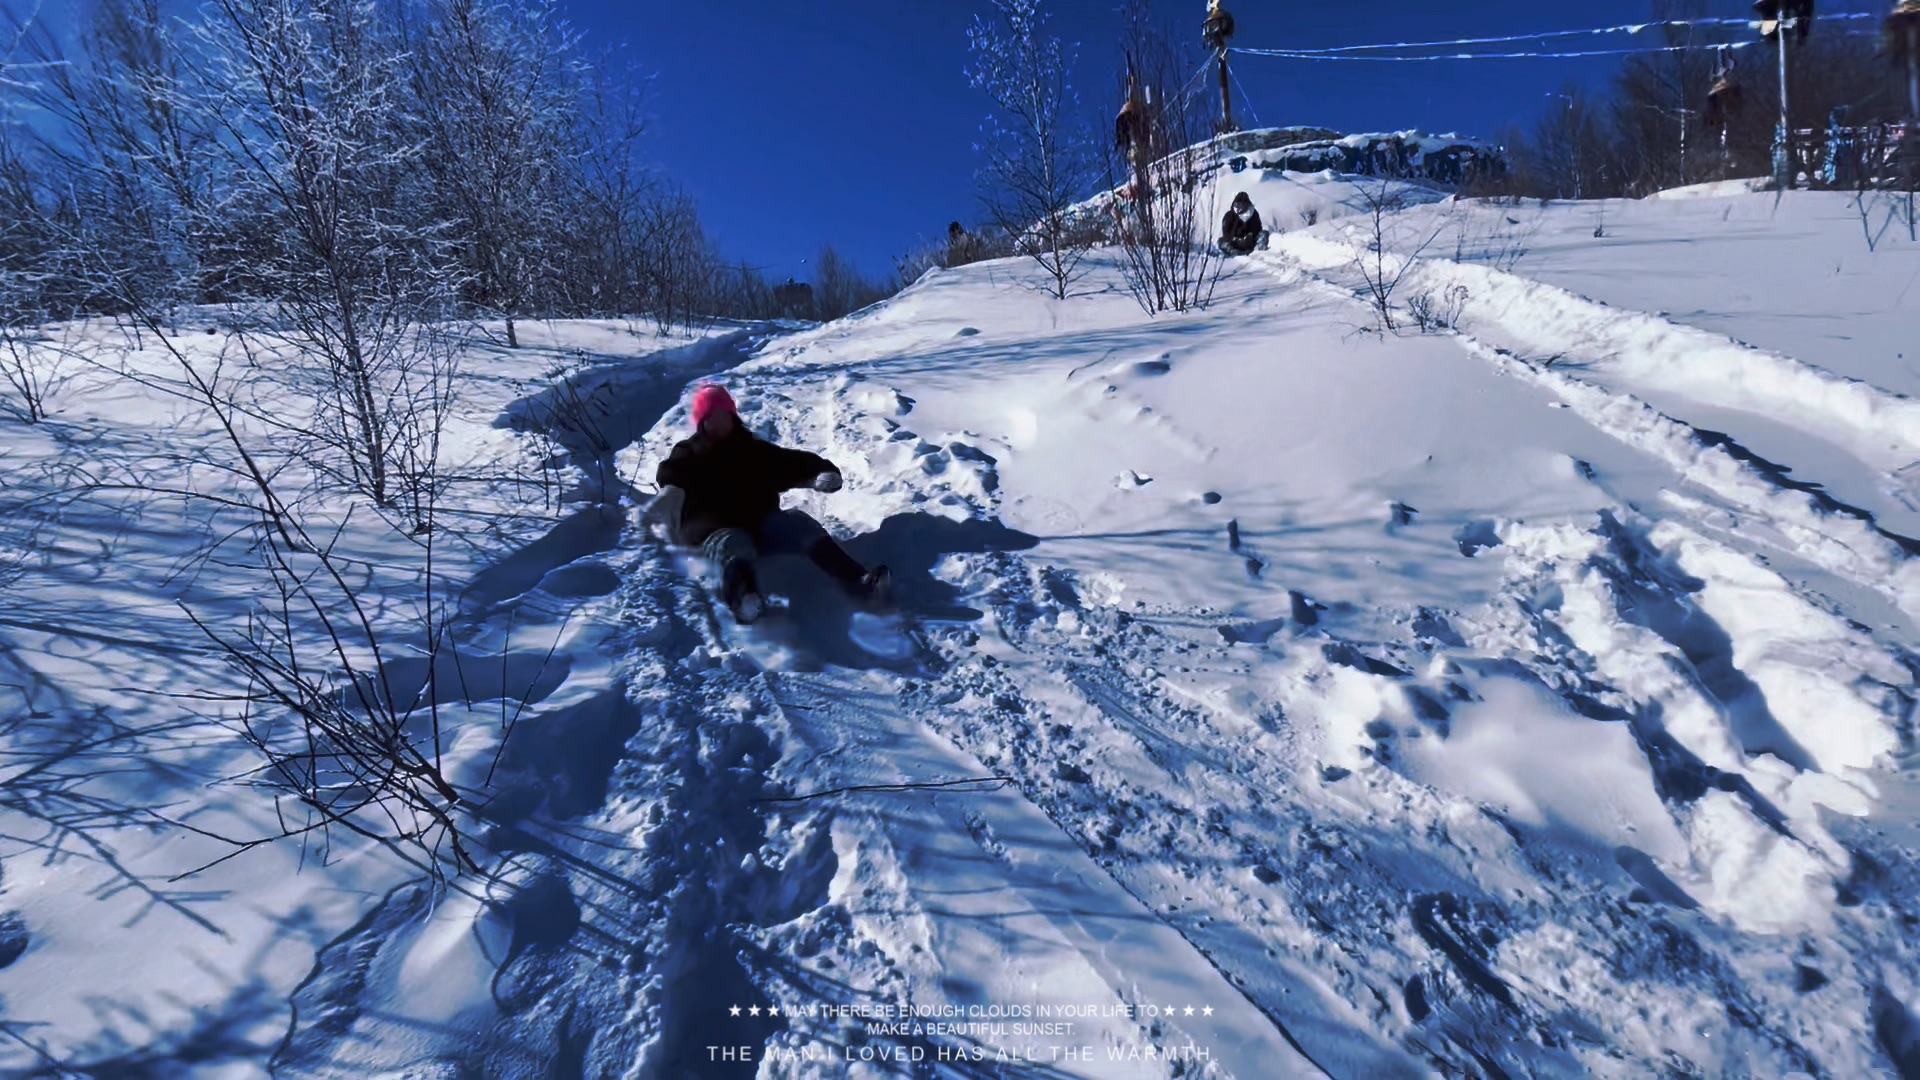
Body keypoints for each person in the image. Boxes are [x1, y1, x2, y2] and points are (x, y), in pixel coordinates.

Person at [655, 384, 889, 624]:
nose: (719, 423)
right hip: (714, 533)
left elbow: (791, 463)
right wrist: (670, 493)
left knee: (799, 522)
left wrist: (821, 473)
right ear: (702, 422)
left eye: (724, 416)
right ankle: (744, 602)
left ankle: (859, 582)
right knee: (732, 544)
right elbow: (671, 473)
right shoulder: (690, 453)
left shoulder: (752, 449)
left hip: (760, 526)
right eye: (712, 418)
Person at [1219, 191, 1262, 256]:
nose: (1239, 207)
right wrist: (1234, 238)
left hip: (1251, 243)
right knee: (1221, 242)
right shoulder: (1229, 215)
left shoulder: (1253, 214)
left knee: (1264, 234)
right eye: (1237, 204)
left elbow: (1258, 229)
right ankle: (1233, 254)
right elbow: (1226, 232)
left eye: (1242, 204)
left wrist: (1250, 236)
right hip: (1234, 243)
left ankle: (1259, 253)